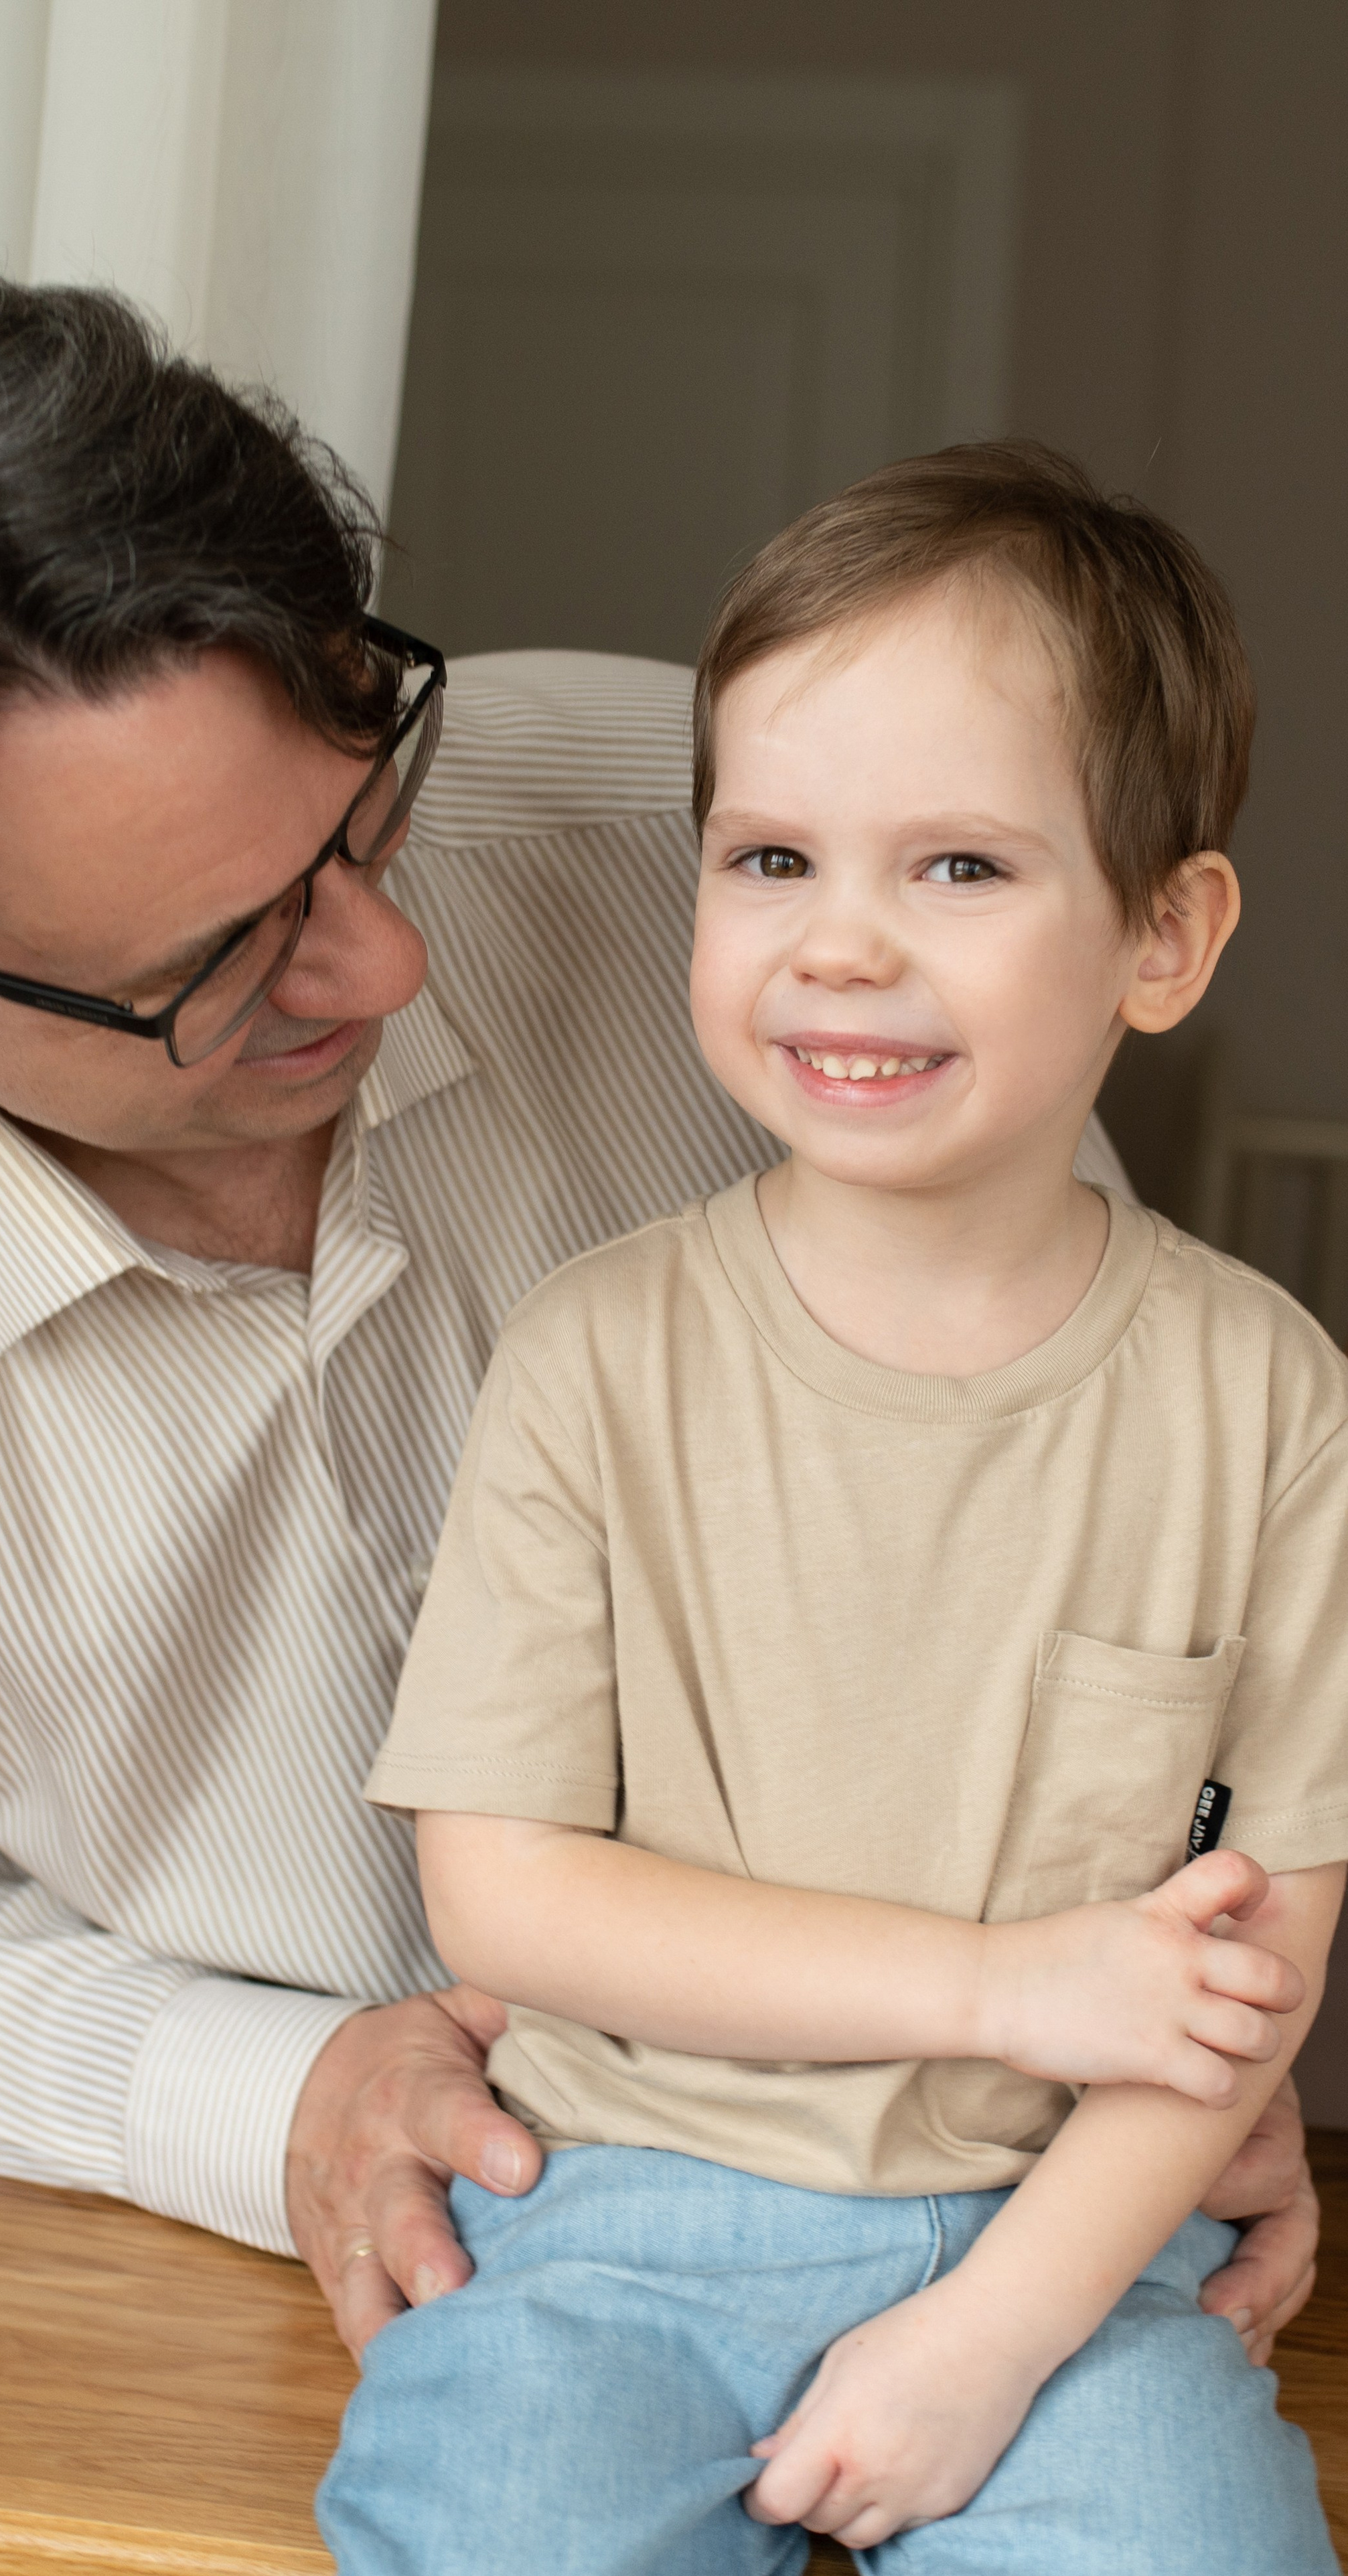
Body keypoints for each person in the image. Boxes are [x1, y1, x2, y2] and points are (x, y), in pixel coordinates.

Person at [0, 239, 1317, 2372]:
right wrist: (274, 2102)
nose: (380, 965)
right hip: (285, 2325)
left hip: (1008, 2216)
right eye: (211, 962)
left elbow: (1128, 1554)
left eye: (369, 816)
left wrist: (1148, 2090)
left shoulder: (727, 850)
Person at [321, 443, 1348, 2573]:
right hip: (606, 2215)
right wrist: (1005, 1983)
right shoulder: (593, 1356)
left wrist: (995, 2332)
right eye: (771, 858)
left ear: (1166, 935)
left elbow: (1236, 1992)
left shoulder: (1270, 1400)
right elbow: (503, 1904)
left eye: (960, 870)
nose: (842, 947)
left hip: (1075, 2265)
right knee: (488, 2518)